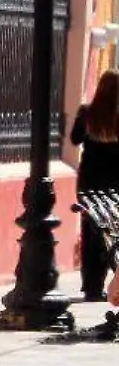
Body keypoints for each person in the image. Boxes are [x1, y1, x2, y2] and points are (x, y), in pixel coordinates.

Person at [71, 70, 119, 301]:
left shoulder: (87, 113)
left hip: (89, 181)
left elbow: (74, 139)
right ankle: (109, 278)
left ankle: (91, 284)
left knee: (89, 231)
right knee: (110, 231)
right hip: (114, 183)